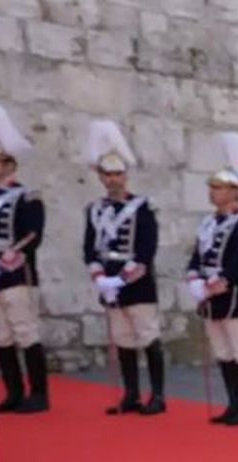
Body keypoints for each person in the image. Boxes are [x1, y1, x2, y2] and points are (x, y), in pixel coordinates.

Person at [0, 104, 48, 414]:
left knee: (25, 332)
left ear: (10, 163)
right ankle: (14, 393)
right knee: (0, 336)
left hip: (15, 273)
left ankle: (39, 394)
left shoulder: (27, 196)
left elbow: (31, 236)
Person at [82, 119, 164, 416]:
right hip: (109, 281)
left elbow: (147, 248)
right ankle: (130, 394)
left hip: (137, 282)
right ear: (101, 177)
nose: (113, 179)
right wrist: (100, 277)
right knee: (123, 340)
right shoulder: (95, 210)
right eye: (108, 174)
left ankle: (158, 395)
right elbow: (89, 247)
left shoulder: (142, 207)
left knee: (148, 337)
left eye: (118, 174)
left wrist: (123, 278)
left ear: (125, 175)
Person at [187, 132, 238, 426]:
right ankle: (234, 402)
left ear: (233, 191)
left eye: (218, 187)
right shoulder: (207, 223)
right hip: (209, 297)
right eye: (212, 187)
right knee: (223, 352)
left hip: (231, 296)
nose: (213, 192)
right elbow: (198, 255)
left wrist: (219, 282)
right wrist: (194, 278)